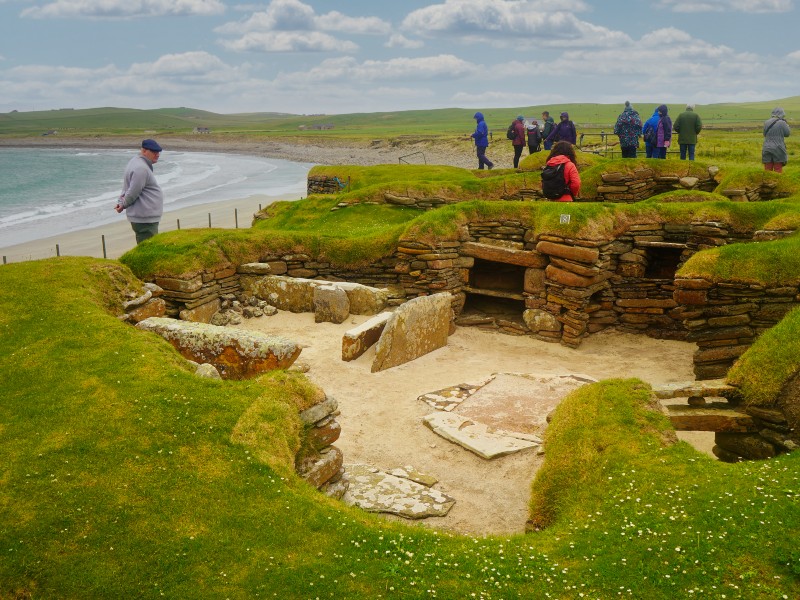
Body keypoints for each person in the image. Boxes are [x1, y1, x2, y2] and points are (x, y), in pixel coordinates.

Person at [116, 139, 164, 244]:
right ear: (144, 151)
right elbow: (133, 191)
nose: (157, 154)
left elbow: (127, 187)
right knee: (149, 248)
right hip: (145, 218)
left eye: (158, 151)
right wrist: (123, 204)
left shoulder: (135, 162)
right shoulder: (141, 168)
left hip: (144, 216)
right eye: (154, 151)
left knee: (147, 246)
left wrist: (121, 202)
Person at [762, 107, 791, 173]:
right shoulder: (782, 122)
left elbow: (764, 134)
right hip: (778, 147)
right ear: (782, 114)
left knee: (767, 168)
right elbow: (787, 134)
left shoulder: (766, 122)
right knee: (778, 168)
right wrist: (787, 125)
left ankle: (767, 182)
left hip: (766, 147)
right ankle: (777, 182)